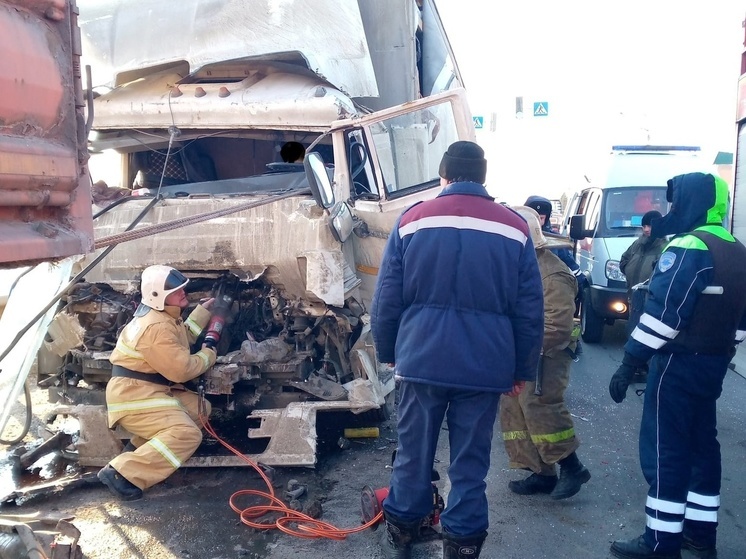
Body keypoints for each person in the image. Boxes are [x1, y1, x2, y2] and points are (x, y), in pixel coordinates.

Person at [371, 141, 544, 559]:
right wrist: (522, 369)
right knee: (471, 460)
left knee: (413, 452)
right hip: (486, 365)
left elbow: (387, 296)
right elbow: (529, 308)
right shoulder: (514, 227)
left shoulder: (412, 220)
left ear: (444, 176)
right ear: (483, 177)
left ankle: (403, 531)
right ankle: (463, 544)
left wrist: (389, 349)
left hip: (421, 358)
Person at [608, 172, 746, 559]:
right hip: (713, 364)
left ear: (692, 202)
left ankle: (660, 541)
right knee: (703, 447)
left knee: (665, 449)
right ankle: (701, 537)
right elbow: (742, 319)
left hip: (677, 366)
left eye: (677, 201)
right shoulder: (736, 248)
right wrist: (723, 350)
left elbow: (663, 315)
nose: (672, 210)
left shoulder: (689, 245)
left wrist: (630, 362)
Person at [97, 265, 217, 501]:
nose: (184, 292)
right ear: (159, 296)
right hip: (134, 397)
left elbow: (181, 338)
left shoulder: (162, 316)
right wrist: (208, 354)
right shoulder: (156, 328)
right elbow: (182, 369)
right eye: (176, 290)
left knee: (201, 409)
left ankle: (136, 451)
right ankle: (123, 474)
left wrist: (202, 312)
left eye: (183, 287)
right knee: (188, 434)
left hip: (145, 390)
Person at [500, 206, 591, 500]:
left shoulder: (551, 273)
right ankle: (542, 473)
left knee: (541, 408)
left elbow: (557, 326)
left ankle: (572, 467)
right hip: (522, 353)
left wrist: (524, 352)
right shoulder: (517, 266)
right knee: (516, 410)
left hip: (546, 356)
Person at [525, 195, 588, 354]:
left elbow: (571, 267)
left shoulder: (556, 244)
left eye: (542, 217)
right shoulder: (518, 240)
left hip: (554, 300)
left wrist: (580, 283)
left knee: (554, 369)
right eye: (536, 217)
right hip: (531, 306)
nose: (539, 221)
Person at [619, 210, 666, 338]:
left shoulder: (665, 247)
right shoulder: (637, 244)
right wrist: (629, 271)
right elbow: (624, 260)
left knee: (648, 335)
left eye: (649, 226)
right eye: (644, 226)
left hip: (652, 300)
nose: (646, 229)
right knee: (633, 331)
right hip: (633, 297)